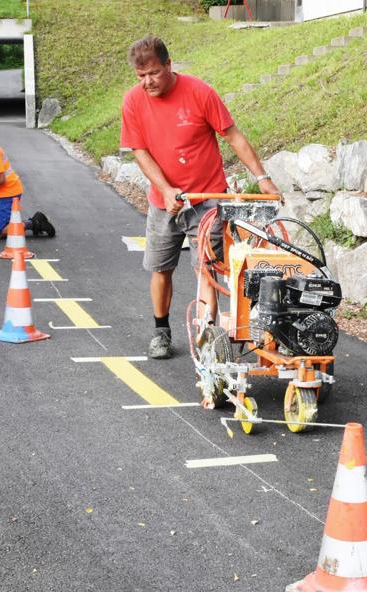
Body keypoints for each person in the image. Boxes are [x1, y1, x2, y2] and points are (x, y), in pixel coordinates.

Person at [120, 35, 280, 362]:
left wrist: (262, 178)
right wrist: (165, 190)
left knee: (206, 268)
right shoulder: (133, 102)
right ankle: (161, 331)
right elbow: (140, 151)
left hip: (207, 198)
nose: (147, 82)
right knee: (160, 268)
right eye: (141, 77)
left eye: (153, 73)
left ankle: (208, 336)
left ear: (168, 64)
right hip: (165, 199)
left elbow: (233, 136)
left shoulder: (199, 92)